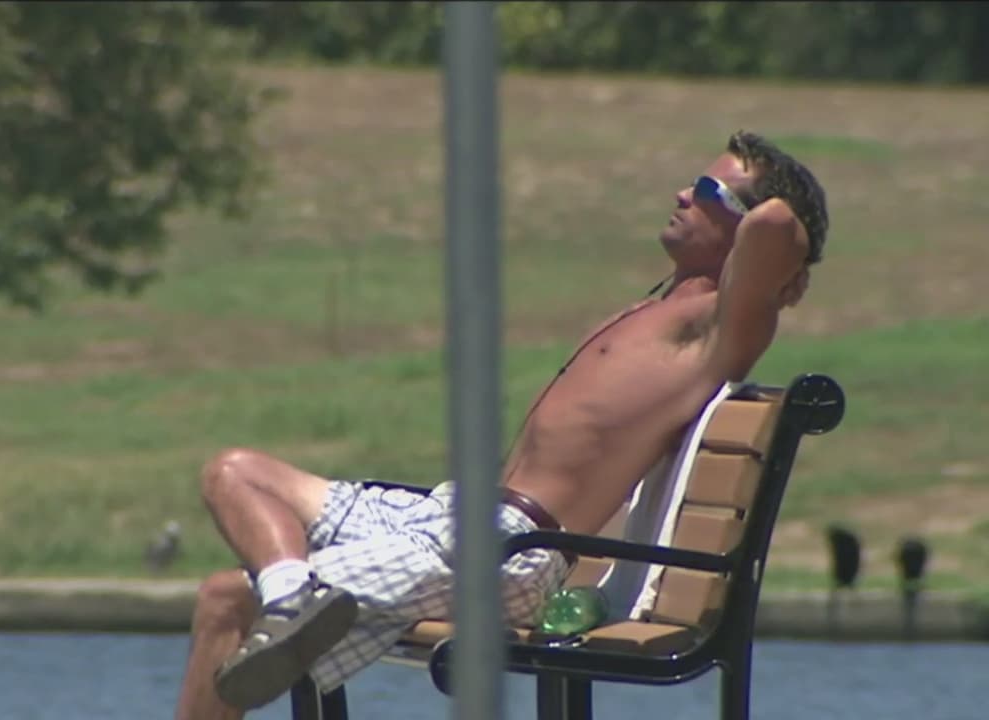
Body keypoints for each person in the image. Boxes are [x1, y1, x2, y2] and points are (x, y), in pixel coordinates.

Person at [174, 130, 829, 719]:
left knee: (227, 602)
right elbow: (767, 227)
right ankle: (293, 600)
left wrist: (782, 266)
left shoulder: (718, 329)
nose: (683, 194)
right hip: (451, 518)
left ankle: (287, 609)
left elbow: (779, 224)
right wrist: (736, 212)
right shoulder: (658, 309)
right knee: (235, 473)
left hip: (510, 554)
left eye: (710, 191)